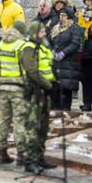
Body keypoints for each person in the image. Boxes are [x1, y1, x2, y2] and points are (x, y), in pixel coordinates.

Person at [19, 21, 56, 174]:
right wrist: (48, 84)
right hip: (34, 93)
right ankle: (30, 160)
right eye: (41, 32)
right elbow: (33, 72)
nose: (44, 34)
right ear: (34, 33)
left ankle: (40, 157)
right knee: (32, 128)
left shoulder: (42, 48)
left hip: (44, 94)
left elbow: (47, 66)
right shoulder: (28, 49)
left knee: (43, 127)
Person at [0, 20, 29, 165]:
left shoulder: (1, 44)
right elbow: (26, 70)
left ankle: (2, 152)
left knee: (4, 120)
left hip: (3, 87)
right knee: (19, 120)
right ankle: (21, 154)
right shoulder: (22, 45)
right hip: (18, 88)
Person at [49, 8, 81, 110]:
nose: (61, 17)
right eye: (60, 15)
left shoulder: (73, 27)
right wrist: (52, 51)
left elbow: (75, 43)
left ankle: (66, 108)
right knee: (56, 87)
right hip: (56, 62)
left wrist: (63, 53)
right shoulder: (55, 28)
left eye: (64, 15)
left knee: (66, 88)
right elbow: (50, 41)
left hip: (68, 61)